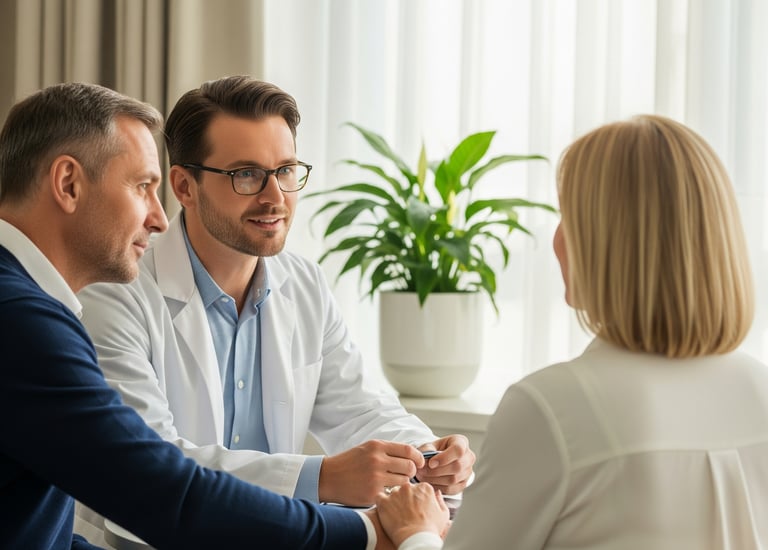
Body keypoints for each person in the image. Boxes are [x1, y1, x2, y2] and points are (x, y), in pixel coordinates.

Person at [0, 81, 439, 549]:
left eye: (286, 171)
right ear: (69, 183)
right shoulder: (31, 320)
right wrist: (365, 530)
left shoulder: (27, 307)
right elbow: (159, 487)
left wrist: (425, 455)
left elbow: (41, 529)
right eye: (142, 187)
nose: (157, 218)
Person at [374, 114, 768, 549]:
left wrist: (417, 532)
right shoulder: (758, 388)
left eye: (569, 216)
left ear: (607, 242)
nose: (557, 238)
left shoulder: (551, 407)